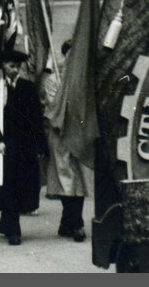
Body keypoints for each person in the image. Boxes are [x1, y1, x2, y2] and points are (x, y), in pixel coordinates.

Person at [0, 50, 47, 246]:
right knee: (7, 185)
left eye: (17, 66)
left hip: (24, 145)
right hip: (4, 145)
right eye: (11, 66)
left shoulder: (27, 87)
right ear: (3, 66)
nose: (14, 70)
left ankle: (7, 223)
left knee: (22, 186)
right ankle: (14, 230)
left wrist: (39, 144)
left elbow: (36, 117)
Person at [43, 41, 93, 243]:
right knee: (65, 180)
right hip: (61, 135)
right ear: (64, 56)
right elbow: (54, 108)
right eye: (70, 55)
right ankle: (73, 223)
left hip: (79, 135)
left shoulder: (84, 80)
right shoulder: (54, 80)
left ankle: (72, 223)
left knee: (78, 180)